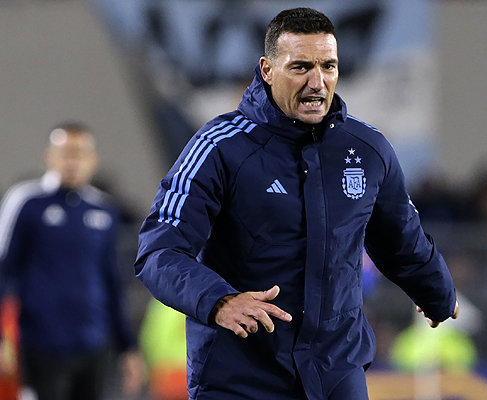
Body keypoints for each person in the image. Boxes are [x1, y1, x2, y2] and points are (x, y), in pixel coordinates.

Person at [135, 8, 458, 400]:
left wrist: (439, 294)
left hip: (336, 371)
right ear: (268, 70)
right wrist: (220, 301)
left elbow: (401, 240)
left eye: (328, 66)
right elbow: (159, 251)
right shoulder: (218, 147)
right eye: (300, 67)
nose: (317, 82)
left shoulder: (368, 150)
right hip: (239, 376)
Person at [0, 122, 144, 400]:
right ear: (48, 156)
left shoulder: (104, 209)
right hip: (40, 343)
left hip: (94, 343)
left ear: (93, 160)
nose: (72, 162)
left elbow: (111, 281)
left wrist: (128, 346)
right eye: (65, 153)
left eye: (80, 154)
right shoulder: (26, 202)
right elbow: (4, 270)